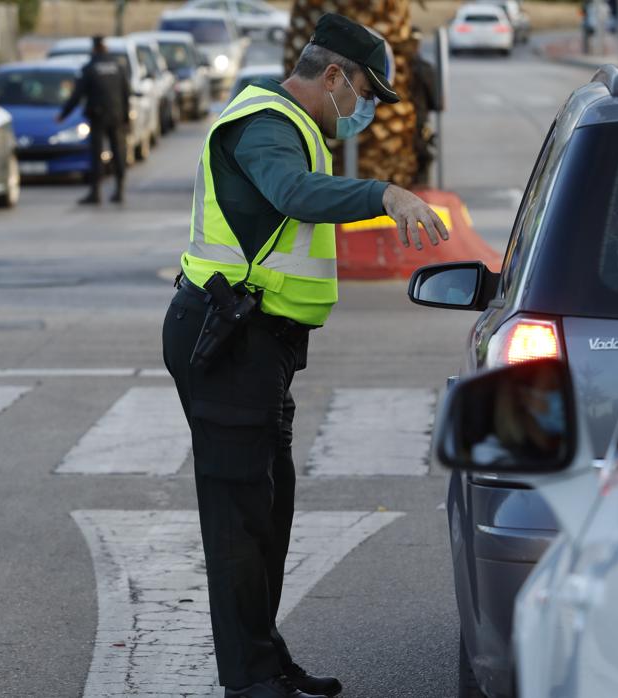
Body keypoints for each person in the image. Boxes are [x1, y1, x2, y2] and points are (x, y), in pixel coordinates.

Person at [161, 13, 448, 698]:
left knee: (267, 513)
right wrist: (382, 192)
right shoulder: (265, 125)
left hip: (261, 346)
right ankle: (250, 682)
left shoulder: (293, 128)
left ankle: (266, 661)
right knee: (238, 523)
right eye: (367, 93)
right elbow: (291, 194)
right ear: (331, 76)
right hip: (229, 339)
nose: (369, 110)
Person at [57, 36, 131, 204]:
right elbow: (126, 94)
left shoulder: (90, 68)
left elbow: (77, 95)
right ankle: (120, 190)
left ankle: (95, 192)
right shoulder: (118, 67)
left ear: (95, 48)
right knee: (118, 153)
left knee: (96, 155)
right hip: (117, 116)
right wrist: (126, 118)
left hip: (98, 117)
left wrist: (63, 114)